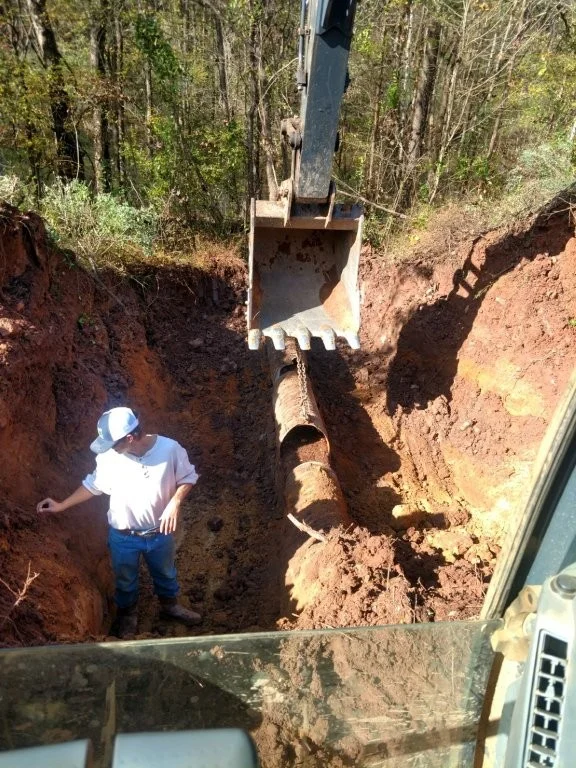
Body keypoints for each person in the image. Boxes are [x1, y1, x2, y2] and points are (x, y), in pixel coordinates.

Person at [37, 406, 202, 638]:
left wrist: (174, 503)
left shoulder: (169, 449)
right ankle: (128, 615)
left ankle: (170, 606)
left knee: (165, 572)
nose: (109, 449)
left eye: (113, 444)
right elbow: (93, 485)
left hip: (159, 533)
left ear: (130, 438)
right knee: (125, 580)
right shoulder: (109, 458)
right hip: (123, 537)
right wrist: (62, 505)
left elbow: (188, 478)